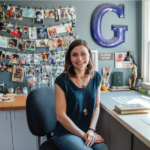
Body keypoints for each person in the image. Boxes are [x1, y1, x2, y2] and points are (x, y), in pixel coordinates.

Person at [53, 39, 108, 150]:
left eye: (83, 54)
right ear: (69, 58)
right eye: (75, 55)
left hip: (88, 131)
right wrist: (84, 135)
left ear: (89, 55)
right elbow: (61, 116)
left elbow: (97, 107)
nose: (79, 59)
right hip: (66, 133)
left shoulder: (96, 77)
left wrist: (91, 130)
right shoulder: (61, 81)